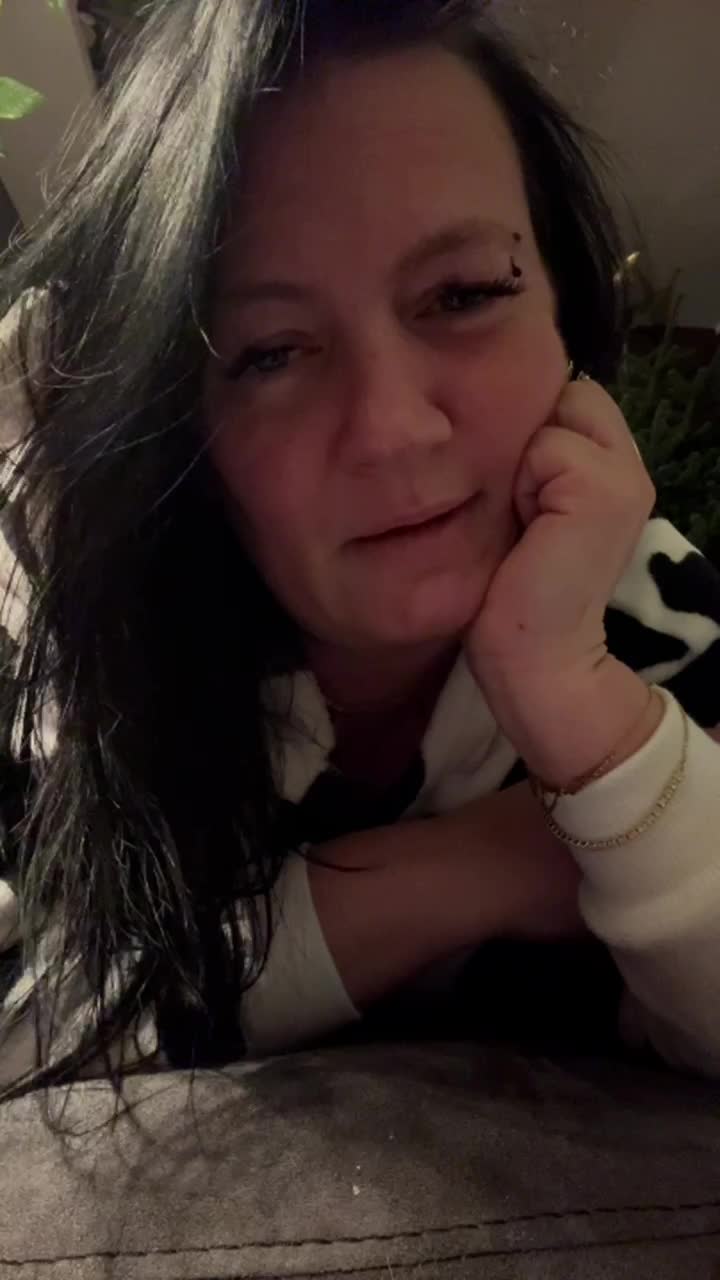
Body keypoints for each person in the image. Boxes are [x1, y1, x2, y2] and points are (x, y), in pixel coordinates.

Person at [0, 0, 719, 1106]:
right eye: (270, 352)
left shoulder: (645, 614)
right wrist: (473, 867)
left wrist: (577, 711)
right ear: (177, 419)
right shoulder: (70, 640)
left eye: (465, 294)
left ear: (567, 317)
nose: (393, 428)